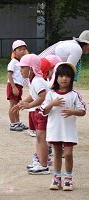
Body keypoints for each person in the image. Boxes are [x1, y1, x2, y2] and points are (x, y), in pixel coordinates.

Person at [40, 62, 86, 191]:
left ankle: (68, 178)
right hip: (55, 130)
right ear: (56, 78)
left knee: (69, 154)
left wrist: (73, 111)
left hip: (69, 131)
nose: (64, 79)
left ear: (71, 78)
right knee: (57, 154)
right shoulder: (51, 94)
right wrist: (52, 104)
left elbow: (82, 111)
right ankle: (56, 178)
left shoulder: (74, 95)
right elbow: (43, 111)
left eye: (67, 76)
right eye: (61, 76)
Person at [13, 54, 50, 175]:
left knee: (41, 138)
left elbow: (42, 96)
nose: (20, 70)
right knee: (39, 138)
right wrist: (23, 102)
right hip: (39, 111)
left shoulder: (38, 81)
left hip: (43, 112)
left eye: (23, 67)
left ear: (31, 68)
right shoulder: (32, 80)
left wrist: (29, 105)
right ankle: (40, 161)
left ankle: (44, 165)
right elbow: (34, 95)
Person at [7, 40, 28, 131]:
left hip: (19, 86)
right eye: (19, 49)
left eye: (24, 49)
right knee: (13, 105)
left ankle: (17, 122)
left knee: (17, 105)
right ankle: (13, 124)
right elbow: (9, 75)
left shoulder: (21, 61)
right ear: (14, 51)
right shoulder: (13, 62)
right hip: (13, 85)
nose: (22, 51)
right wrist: (14, 87)